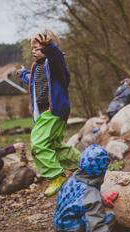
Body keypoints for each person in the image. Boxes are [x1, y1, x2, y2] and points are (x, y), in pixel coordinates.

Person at [17, 29, 81, 197]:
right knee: (55, 146)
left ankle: (56, 175)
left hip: (53, 110)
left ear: (50, 46)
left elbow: (57, 58)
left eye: (38, 47)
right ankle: (82, 163)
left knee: (38, 144)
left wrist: (50, 48)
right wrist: (23, 74)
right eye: (33, 48)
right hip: (46, 113)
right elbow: (33, 81)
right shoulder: (38, 67)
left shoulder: (55, 63)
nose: (34, 50)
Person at [46, 144, 125, 232]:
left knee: (84, 214)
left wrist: (101, 199)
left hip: (60, 228)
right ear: (102, 171)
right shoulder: (91, 195)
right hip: (74, 231)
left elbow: (77, 200)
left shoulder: (72, 179)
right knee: (109, 217)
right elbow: (96, 224)